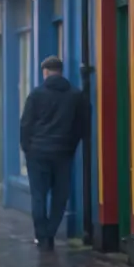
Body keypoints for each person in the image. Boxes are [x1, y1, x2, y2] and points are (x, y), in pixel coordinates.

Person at [20, 55, 87, 250]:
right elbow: (81, 126)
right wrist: (70, 146)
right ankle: (50, 232)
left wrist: (28, 148)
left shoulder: (35, 94)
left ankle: (42, 237)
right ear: (61, 72)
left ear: (46, 72)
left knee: (38, 195)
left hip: (38, 152)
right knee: (60, 195)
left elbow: (26, 125)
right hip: (63, 152)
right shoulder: (75, 95)